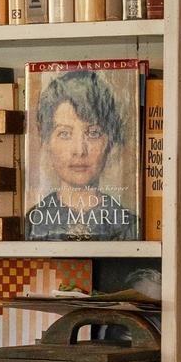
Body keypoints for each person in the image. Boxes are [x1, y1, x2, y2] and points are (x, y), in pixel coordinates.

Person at [25, 67, 138, 241]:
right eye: (64, 134)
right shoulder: (31, 225)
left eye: (93, 133)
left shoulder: (129, 227)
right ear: (46, 142)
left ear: (109, 141)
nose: (79, 150)